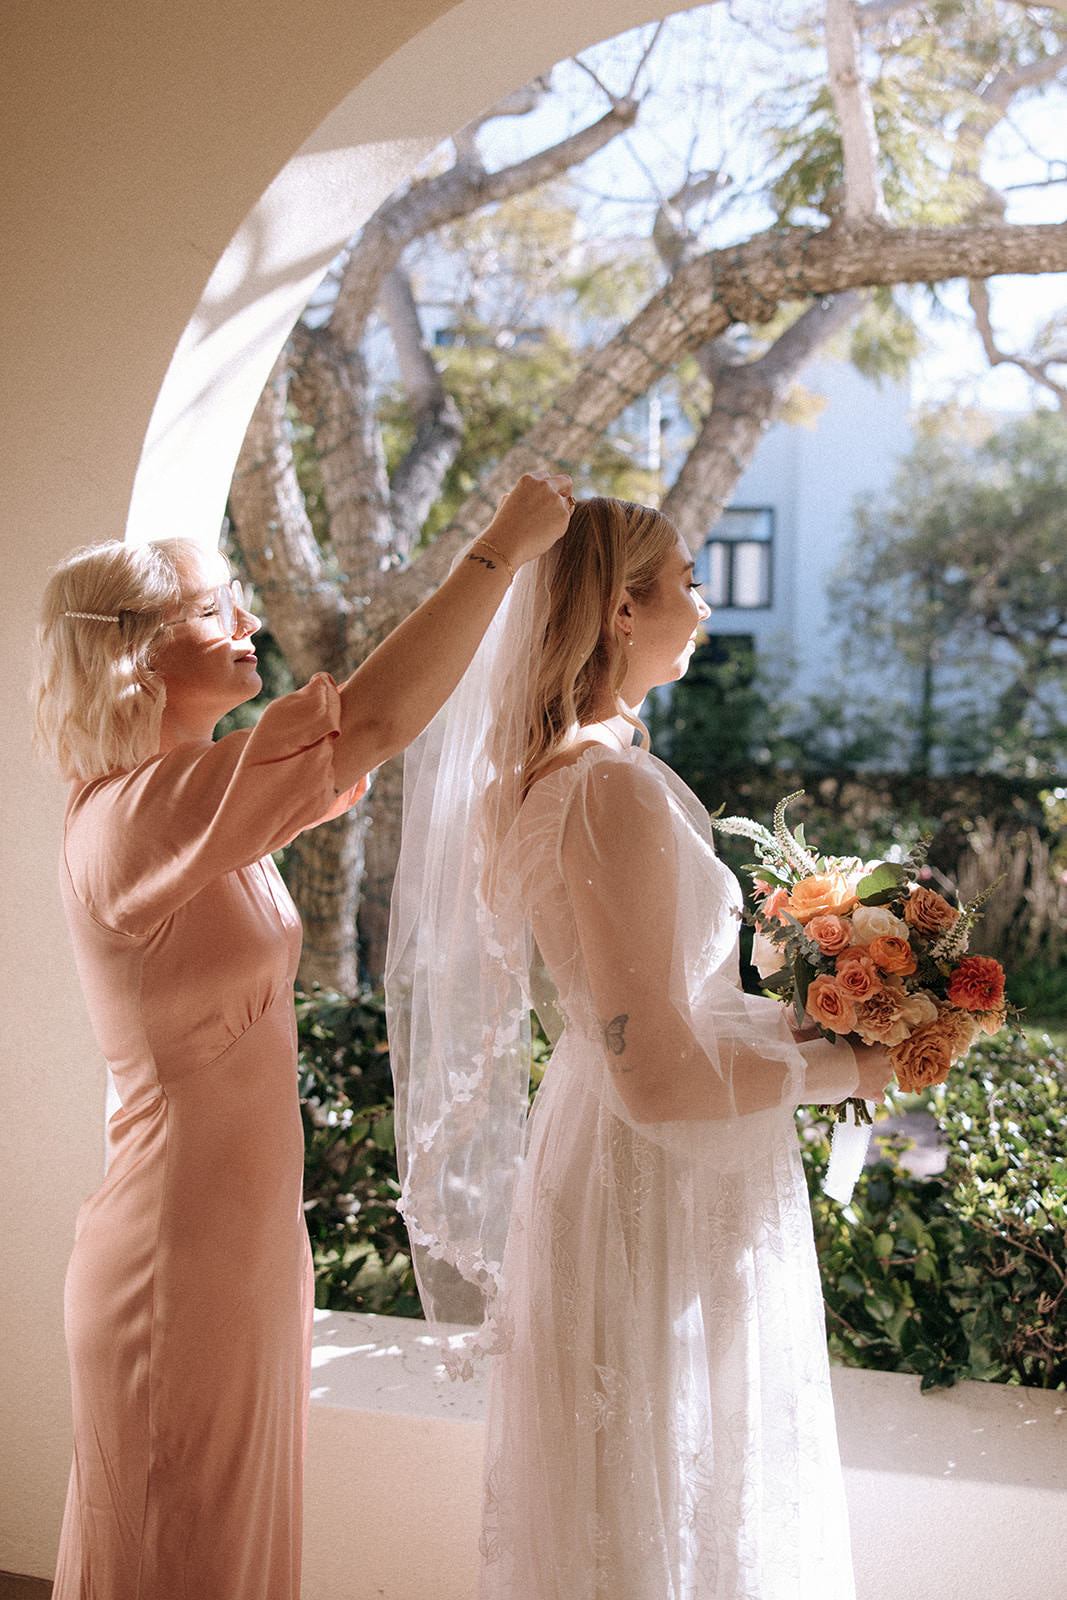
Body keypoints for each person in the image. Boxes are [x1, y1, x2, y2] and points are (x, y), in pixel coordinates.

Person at [31, 470, 572, 1600]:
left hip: (242, 1247)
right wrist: (499, 547)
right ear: (132, 648)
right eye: (214, 607)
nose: (250, 623)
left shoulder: (192, 800)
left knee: (223, 1552)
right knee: (182, 1554)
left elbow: (360, 747)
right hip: (173, 1259)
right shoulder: (135, 817)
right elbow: (365, 717)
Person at [386, 496, 892, 1600]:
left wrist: (798, 1017)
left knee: (650, 1494)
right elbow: (656, 1076)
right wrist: (850, 1069)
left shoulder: (559, 774)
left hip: (623, 1147)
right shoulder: (604, 787)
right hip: (649, 1172)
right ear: (621, 608)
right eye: (688, 579)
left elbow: (650, 1015)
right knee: (659, 1491)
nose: (705, 605)